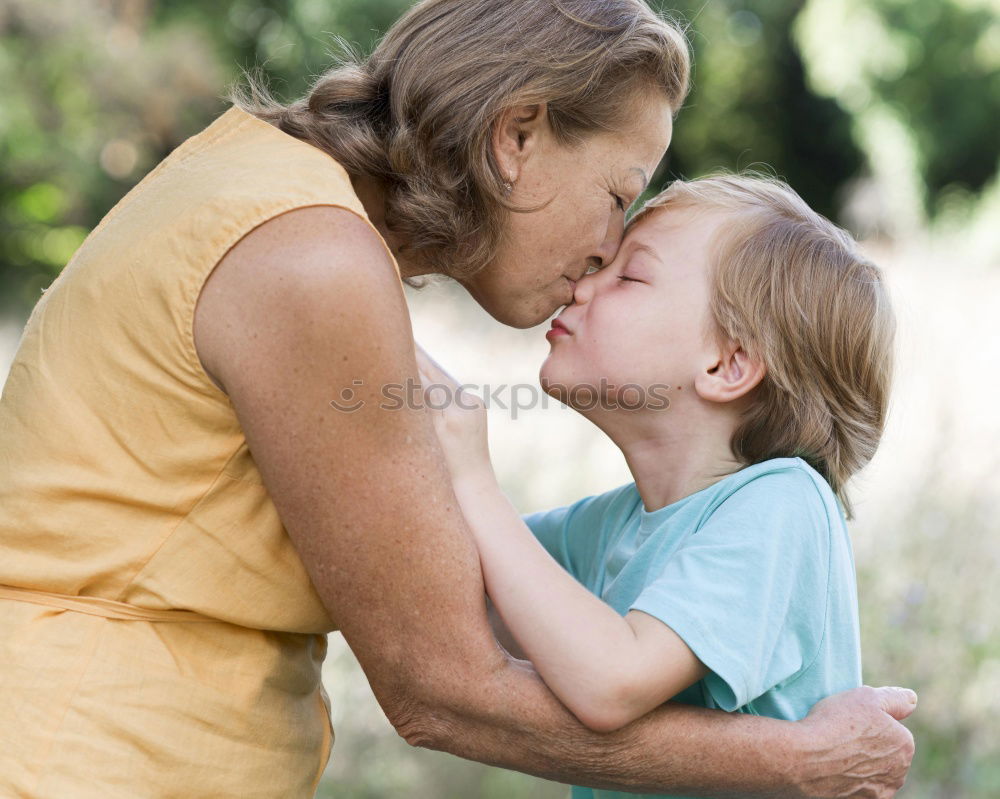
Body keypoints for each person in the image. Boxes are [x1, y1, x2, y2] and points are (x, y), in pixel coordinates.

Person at [0, 1, 914, 796]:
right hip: (82, 755)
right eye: (616, 196)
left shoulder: (262, 191)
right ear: (515, 137)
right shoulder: (311, 256)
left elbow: (471, 585)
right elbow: (442, 683)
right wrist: (799, 760)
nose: (605, 248)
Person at [416, 172, 902, 799]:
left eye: (629, 276)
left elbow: (612, 682)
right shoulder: (613, 524)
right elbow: (454, 579)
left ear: (727, 365)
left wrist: (472, 478)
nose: (582, 283)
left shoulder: (784, 504)